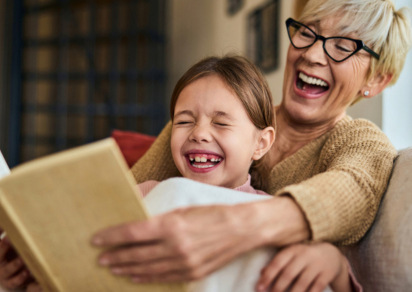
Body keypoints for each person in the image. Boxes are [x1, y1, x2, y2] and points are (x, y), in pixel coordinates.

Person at [90, 0, 411, 291]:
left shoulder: (361, 142)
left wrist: (237, 225)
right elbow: (124, 205)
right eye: (307, 34)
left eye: (343, 46)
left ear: (377, 79)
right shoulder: (210, 118)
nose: (312, 54)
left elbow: (351, 190)